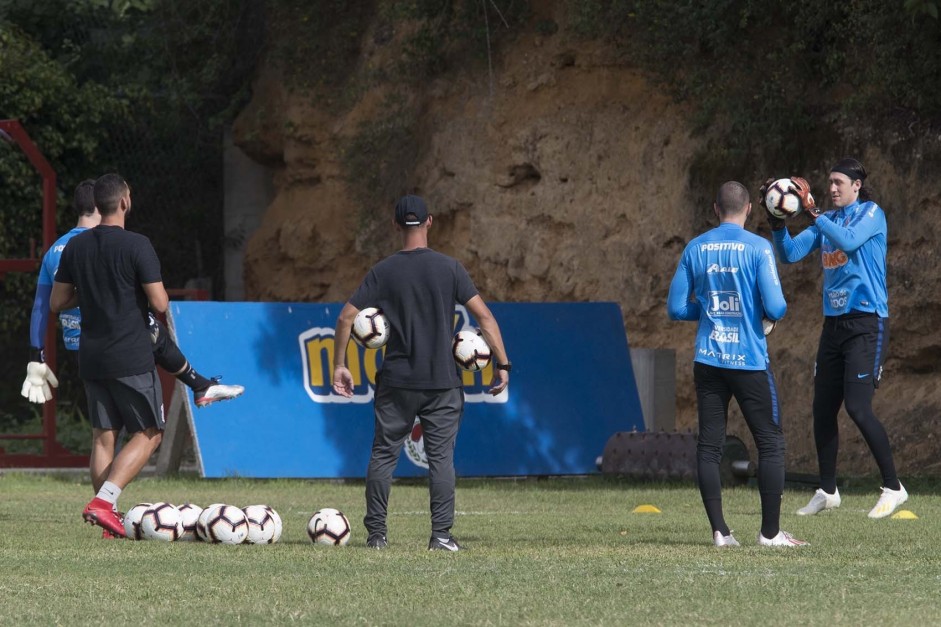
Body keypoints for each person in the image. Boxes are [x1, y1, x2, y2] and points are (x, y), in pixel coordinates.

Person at [332, 195, 510, 551]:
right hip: (442, 382)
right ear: (430, 222)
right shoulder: (450, 269)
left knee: (384, 455)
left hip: (397, 381)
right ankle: (441, 537)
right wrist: (502, 365)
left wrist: (341, 364)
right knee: (441, 459)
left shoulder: (383, 271)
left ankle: (377, 536)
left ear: (396, 226)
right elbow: (485, 318)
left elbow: (346, 317)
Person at [763, 158, 907, 519]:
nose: (832, 188)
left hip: (867, 323)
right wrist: (777, 223)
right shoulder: (826, 221)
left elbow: (850, 240)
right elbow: (790, 254)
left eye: (839, 182)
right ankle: (828, 491)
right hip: (834, 327)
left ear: (857, 186)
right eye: (829, 182)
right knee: (822, 410)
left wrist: (813, 212)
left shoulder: (870, 213)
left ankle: (894, 487)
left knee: (858, 408)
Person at [22, 179, 244, 410]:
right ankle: (199, 385)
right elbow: (155, 301)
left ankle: (199, 384)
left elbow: (42, 306)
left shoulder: (53, 251)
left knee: (106, 430)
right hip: (116, 339)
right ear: (103, 204)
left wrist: (36, 354)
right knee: (146, 428)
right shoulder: (101, 244)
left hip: (81, 347)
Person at [668, 181, 807, 547]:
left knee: (710, 445)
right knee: (770, 442)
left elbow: (677, 307)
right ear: (748, 209)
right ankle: (771, 533)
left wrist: (711, 309)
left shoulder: (695, 247)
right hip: (748, 360)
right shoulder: (759, 248)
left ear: (716, 209)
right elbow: (776, 308)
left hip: (709, 359)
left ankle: (720, 531)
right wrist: (753, 311)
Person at [50, 173, 168, 538]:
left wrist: (90, 292)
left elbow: (57, 303)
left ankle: (107, 518)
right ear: (125, 202)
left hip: (92, 355)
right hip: (129, 354)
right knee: (150, 433)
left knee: (104, 437)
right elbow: (160, 302)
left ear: (97, 205)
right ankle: (105, 501)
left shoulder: (76, 247)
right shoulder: (138, 245)